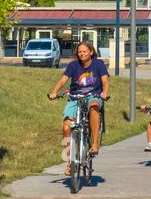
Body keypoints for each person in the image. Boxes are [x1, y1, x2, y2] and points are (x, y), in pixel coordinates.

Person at [47, 41, 109, 175]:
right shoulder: (73, 65)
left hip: (94, 95)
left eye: (84, 51)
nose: (81, 54)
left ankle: (95, 144)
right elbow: (63, 80)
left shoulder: (99, 64)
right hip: (75, 96)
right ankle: (69, 162)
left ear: (91, 52)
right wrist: (54, 92)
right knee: (66, 127)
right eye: (79, 52)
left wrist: (104, 92)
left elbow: (104, 80)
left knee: (93, 107)